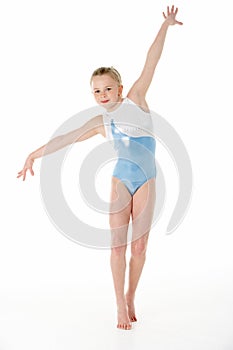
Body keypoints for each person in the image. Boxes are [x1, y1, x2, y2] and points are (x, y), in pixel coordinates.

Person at [17, 6, 183, 330]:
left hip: (146, 179)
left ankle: (131, 294)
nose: (103, 95)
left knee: (140, 246)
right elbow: (64, 138)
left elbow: (152, 61)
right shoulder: (100, 122)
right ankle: (119, 304)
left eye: (107, 88)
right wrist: (33, 155)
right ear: (92, 95)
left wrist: (165, 26)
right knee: (117, 246)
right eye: (96, 91)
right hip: (120, 181)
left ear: (119, 89)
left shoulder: (136, 99)